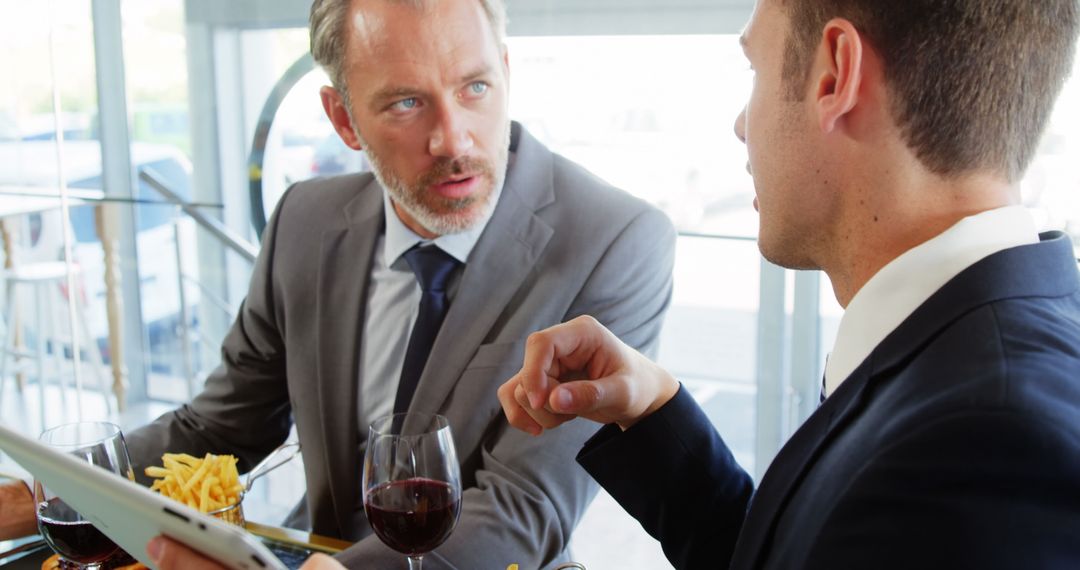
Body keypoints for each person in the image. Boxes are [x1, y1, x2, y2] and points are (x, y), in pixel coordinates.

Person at [0, 0, 676, 568]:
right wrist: (47, 493)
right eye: (408, 103)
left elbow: (523, 512)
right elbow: (219, 429)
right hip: (305, 550)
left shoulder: (615, 241)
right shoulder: (305, 218)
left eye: (474, 87)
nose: (454, 139)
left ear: (505, 71)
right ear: (344, 119)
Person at [497, 0, 1080, 569]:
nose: (740, 125)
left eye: (754, 67)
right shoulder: (972, 363)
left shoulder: (991, 452)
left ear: (835, 74)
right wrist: (653, 412)